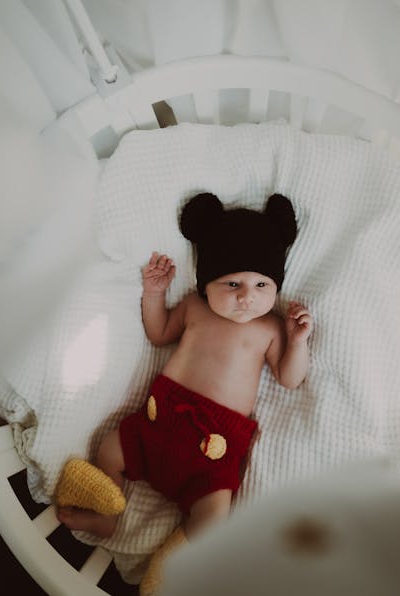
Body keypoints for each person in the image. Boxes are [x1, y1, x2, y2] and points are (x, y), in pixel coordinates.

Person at [56, 192, 312, 590]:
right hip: (158, 423)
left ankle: (172, 567)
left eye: (262, 284)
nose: (247, 296)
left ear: (276, 286)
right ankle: (106, 517)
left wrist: (297, 342)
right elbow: (158, 334)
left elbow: (290, 378)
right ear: (205, 283)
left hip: (214, 451)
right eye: (232, 283)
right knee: (111, 447)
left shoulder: (270, 328)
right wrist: (154, 294)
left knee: (214, 519)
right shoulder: (194, 307)